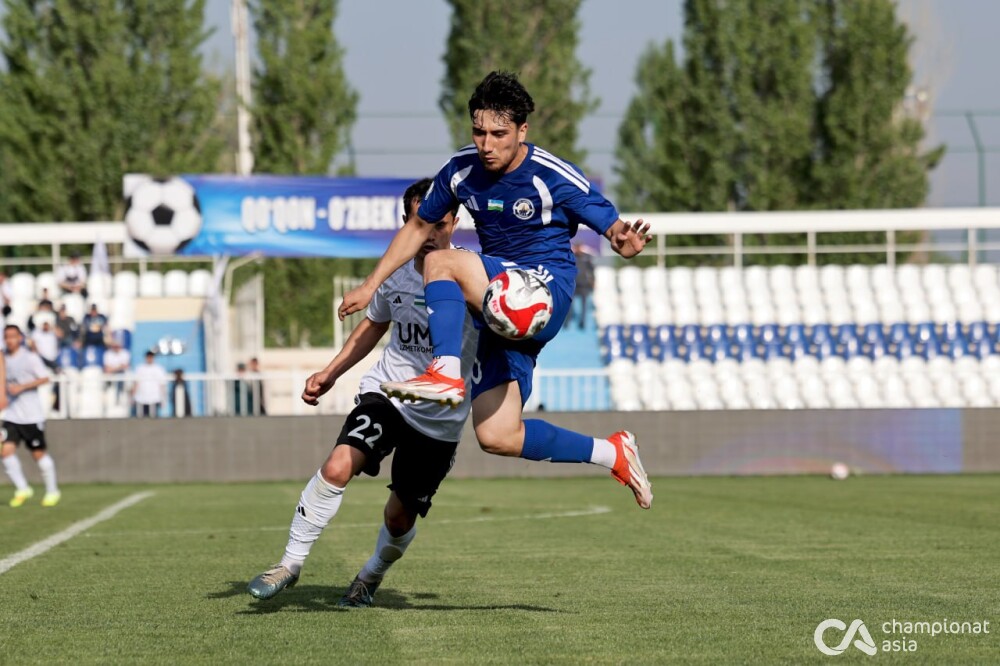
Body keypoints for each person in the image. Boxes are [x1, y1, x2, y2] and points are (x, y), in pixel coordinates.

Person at [340, 71, 654, 509]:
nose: (487, 144)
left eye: (499, 134)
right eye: (479, 131)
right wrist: (370, 284)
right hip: (501, 302)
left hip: (543, 288)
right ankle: (613, 452)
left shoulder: (551, 174)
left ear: (522, 131)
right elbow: (418, 225)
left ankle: (445, 370)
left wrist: (624, 240)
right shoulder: (461, 170)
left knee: (439, 261)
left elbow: (614, 228)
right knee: (497, 434)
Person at [248, 179, 475, 607]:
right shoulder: (393, 273)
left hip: (440, 414)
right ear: (407, 222)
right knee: (337, 465)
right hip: (389, 394)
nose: (429, 235)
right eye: (419, 224)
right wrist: (331, 372)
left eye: (439, 225)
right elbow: (374, 326)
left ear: (455, 222)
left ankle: (370, 575)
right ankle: (289, 564)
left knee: (399, 515)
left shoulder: (472, 275)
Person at [2, 325, 60, 507]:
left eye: (13, 336)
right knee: (5, 451)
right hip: (12, 414)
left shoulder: (30, 357)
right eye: (6, 337)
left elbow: (45, 378)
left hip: (31, 416)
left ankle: (52, 491)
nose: (10, 340)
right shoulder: (4, 358)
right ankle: (22, 488)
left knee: (38, 454)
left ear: (20, 338)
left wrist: (22, 387)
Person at [566, 242, 595, 330]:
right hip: (573, 284)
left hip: (584, 284)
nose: (578, 249)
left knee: (584, 305)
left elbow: (591, 270)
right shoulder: (571, 257)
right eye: (576, 247)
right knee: (569, 305)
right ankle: (567, 322)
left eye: (579, 247)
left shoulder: (586, 257)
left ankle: (582, 322)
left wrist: (593, 281)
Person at [132, 350, 167, 417]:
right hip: (141, 397)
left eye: (151, 357)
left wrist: (163, 399)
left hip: (155, 397)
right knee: (141, 417)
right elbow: (136, 383)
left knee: (153, 417)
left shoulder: (159, 369)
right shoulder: (140, 368)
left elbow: (162, 385)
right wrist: (133, 397)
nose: (149, 359)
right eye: (148, 357)